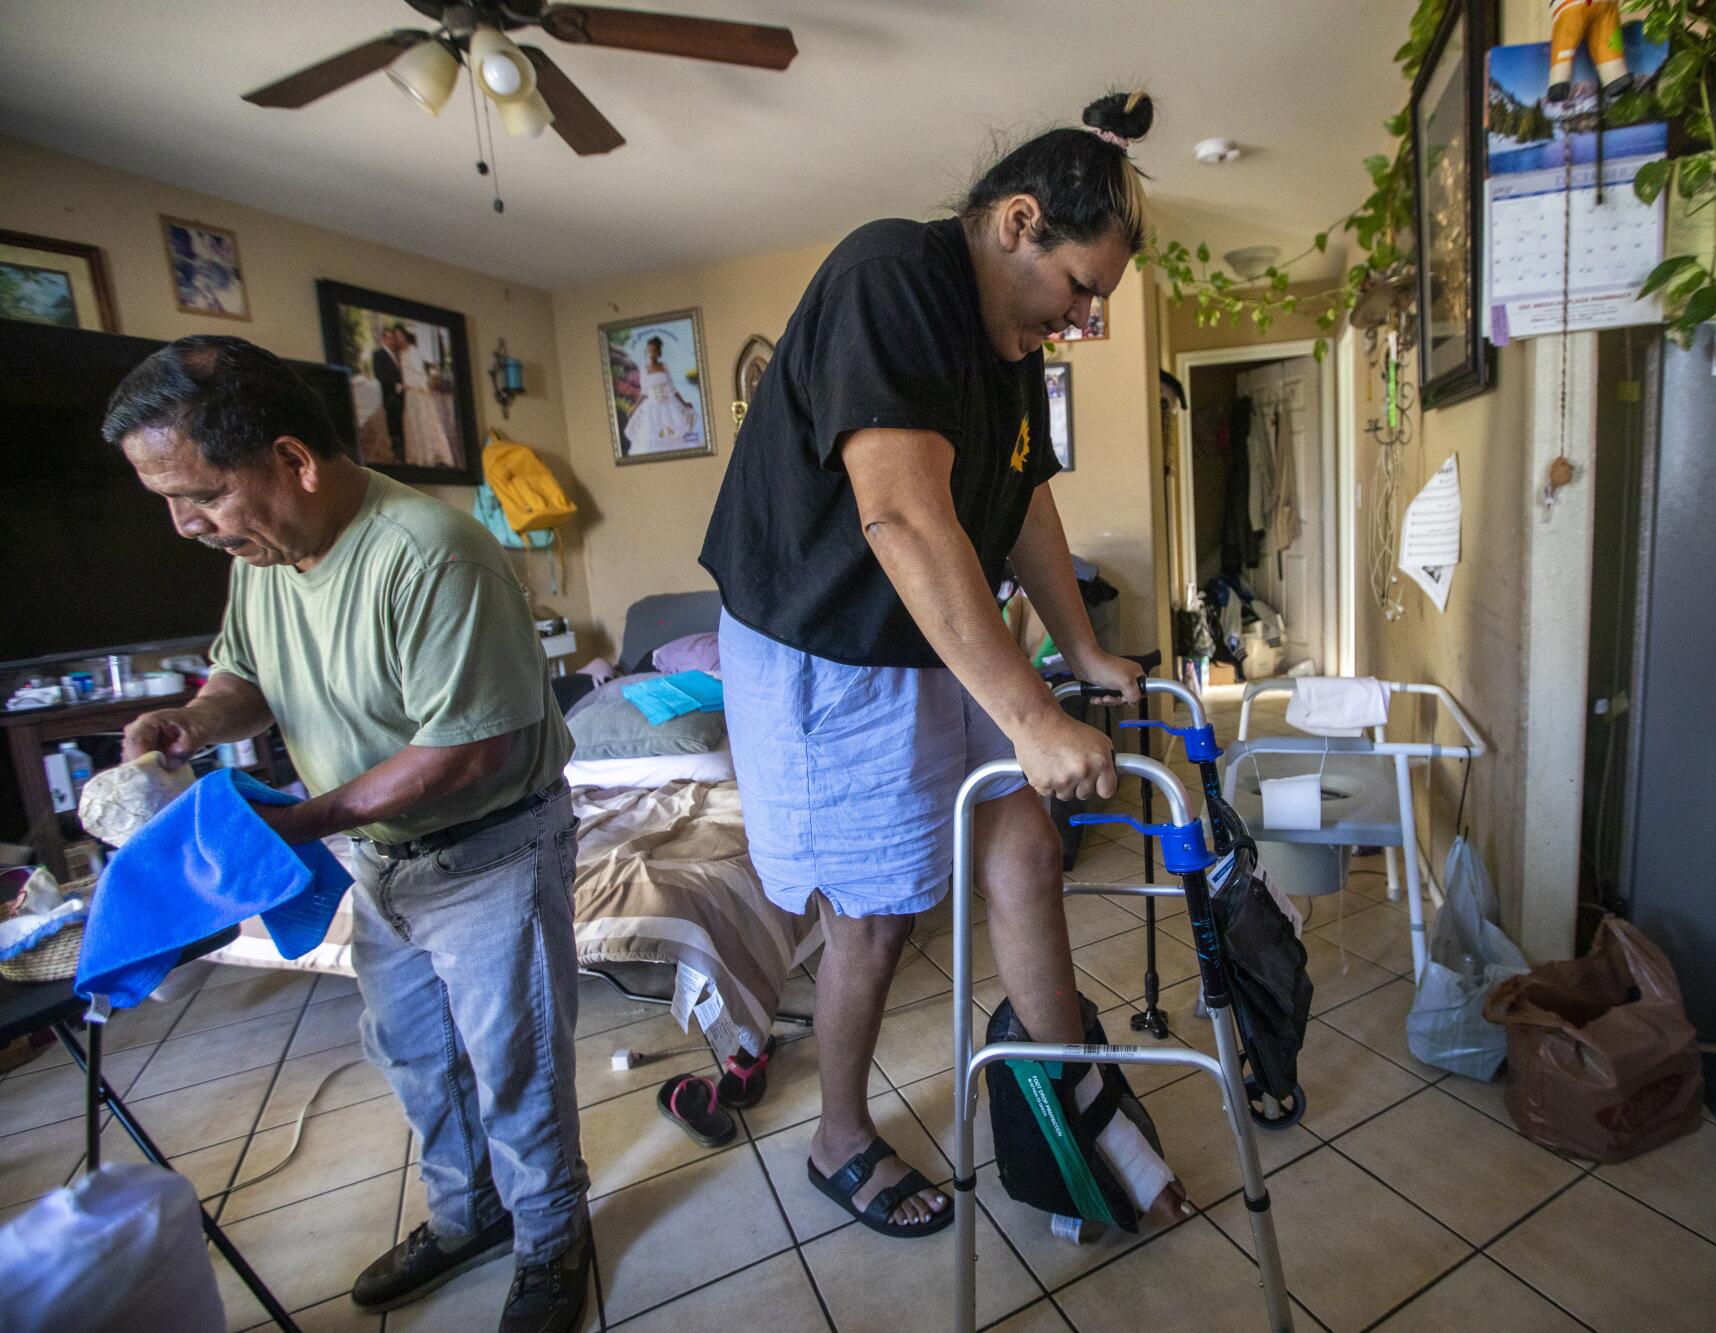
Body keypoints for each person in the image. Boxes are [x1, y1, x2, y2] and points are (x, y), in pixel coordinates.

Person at [700, 90, 1187, 1237]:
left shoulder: (1006, 339)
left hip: (929, 628)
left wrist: (1078, 649)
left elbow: (1021, 501)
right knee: (873, 916)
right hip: (822, 645)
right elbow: (905, 521)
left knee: (1024, 827)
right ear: (1017, 221)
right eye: (1079, 289)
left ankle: (1063, 1078)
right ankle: (836, 1140)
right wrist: (1030, 715)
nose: (1079, 319)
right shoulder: (892, 280)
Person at [104, 335, 592, 1333]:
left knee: (514, 1064)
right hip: (383, 860)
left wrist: (304, 820)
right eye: (164, 500)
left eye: (198, 493)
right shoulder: (263, 553)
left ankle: (552, 1238)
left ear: (292, 460)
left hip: (491, 851)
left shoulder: (433, 550)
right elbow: (248, 677)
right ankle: (468, 1216)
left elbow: (470, 752)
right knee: (414, 1055)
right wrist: (196, 721)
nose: (183, 524)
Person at [623, 335, 698, 455]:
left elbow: (672, 388)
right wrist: (634, 408)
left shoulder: (664, 366)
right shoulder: (644, 369)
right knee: (651, 434)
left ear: (659, 352)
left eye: (654, 351)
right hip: (652, 406)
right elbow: (644, 392)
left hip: (668, 404)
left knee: (676, 432)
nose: (651, 353)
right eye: (649, 351)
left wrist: (684, 402)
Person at [397, 324, 457, 468]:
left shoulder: (413, 352)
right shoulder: (402, 354)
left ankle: (433, 455)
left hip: (419, 394)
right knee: (414, 425)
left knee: (425, 424)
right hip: (410, 395)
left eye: (399, 336)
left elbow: (421, 376)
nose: (398, 339)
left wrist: (416, 387)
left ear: (405, 336)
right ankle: (418, 456)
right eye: (396, 336)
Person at [370, 325, 406, 463]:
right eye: (390, 338)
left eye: (393, 338)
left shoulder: (397, 355)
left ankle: (402, 447)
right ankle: (398, 452)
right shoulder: (378, 355)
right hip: (390, 395)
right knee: (394, 424)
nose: (393, 341)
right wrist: (396, 385)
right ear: (384, 339)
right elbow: (380, 375)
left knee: (401, 423)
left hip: (401, 395)